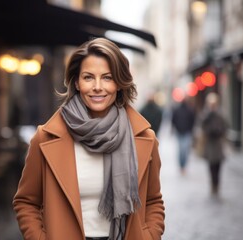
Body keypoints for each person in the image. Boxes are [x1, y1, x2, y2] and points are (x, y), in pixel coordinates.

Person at [13, 38, 165, 240]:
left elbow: (153, 201)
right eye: (88, 77)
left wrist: (149, 236)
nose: (98, 87)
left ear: (119, 83)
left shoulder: (144, 138)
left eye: (107, 78)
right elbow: (26, 202)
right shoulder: (45, 138)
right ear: (76, 82)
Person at [200, 92, 228, 196]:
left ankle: (217, 184)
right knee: (211, 166)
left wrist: (218, 130)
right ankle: (213, 184)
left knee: (218, 166)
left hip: (218, 144)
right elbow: (202, 125)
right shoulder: (206, 114)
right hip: (210, 144)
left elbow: (225, 127)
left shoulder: (220, 114)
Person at [171, 97, 196, 175]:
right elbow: (173, 120)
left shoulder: (188, 110)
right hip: (181, 132)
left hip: (185, 132)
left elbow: (193, 120)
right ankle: (182, 165)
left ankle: (183, 165)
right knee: (182, 150)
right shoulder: (185, 110)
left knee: (183, 150)